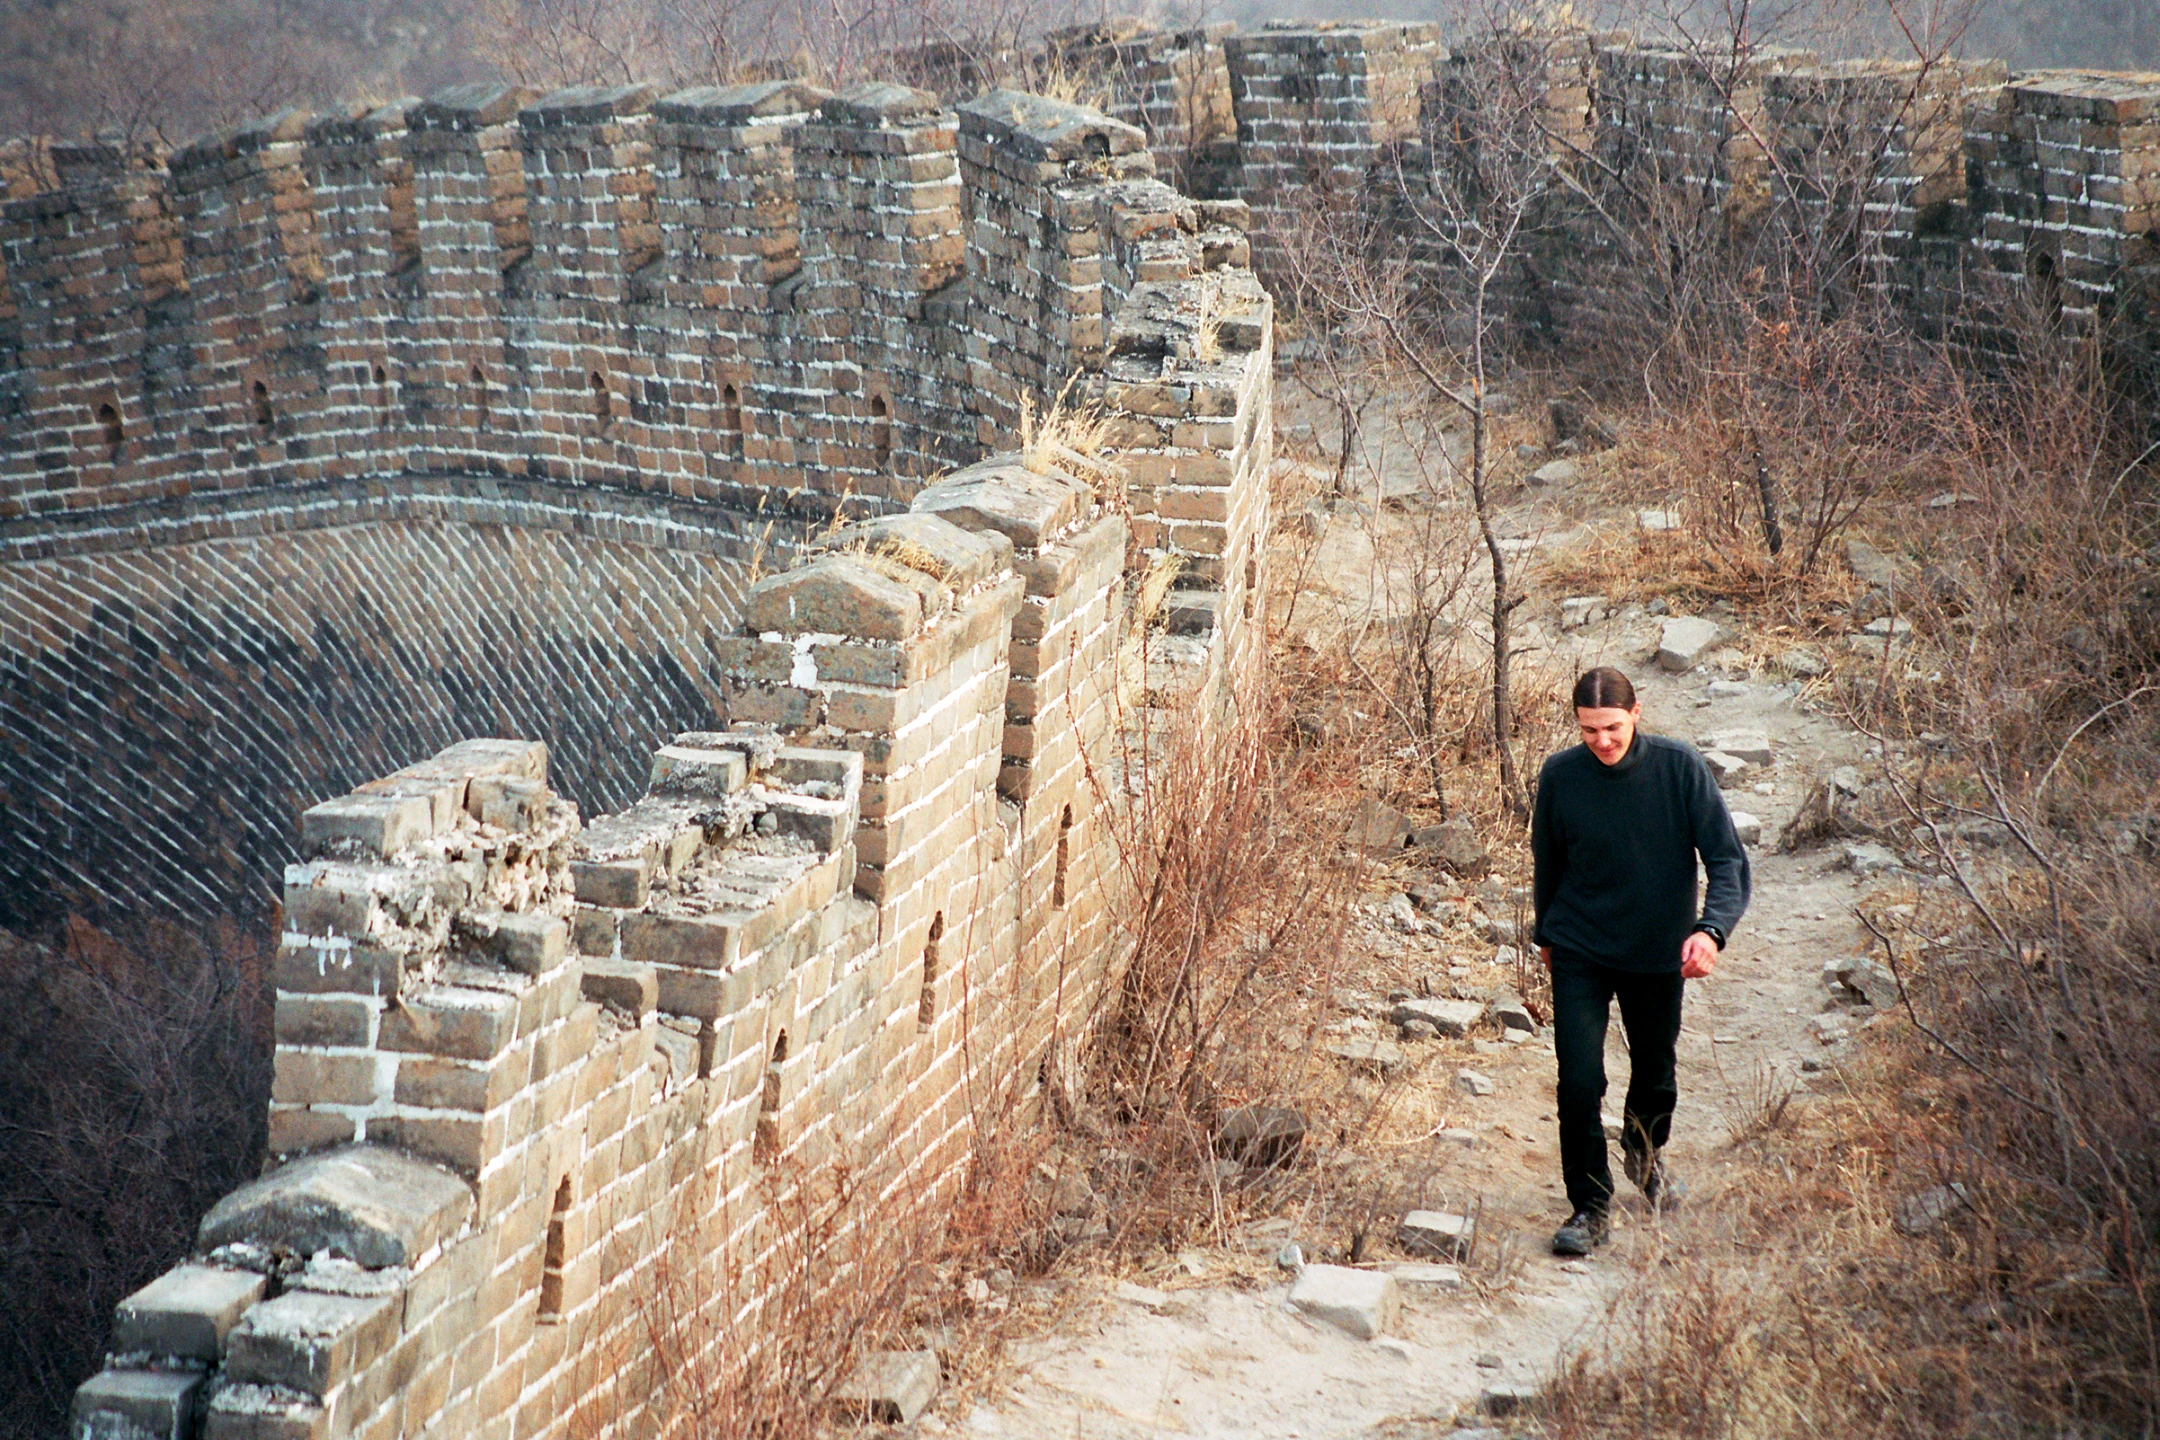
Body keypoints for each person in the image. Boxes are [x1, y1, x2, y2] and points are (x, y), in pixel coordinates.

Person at [1530, 666, 1750, 1256]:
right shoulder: (1561, 775)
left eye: (1612, 727)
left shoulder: (1680, 769)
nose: (1602, 741)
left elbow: (1727, 861)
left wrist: (1711, 931)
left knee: (1655, 1074)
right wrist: (1546, 935)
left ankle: (1643, 1153)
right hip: (1580, 945)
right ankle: (1590, 1206)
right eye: (1588, 730)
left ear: (1636, 713)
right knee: (1579, 1080)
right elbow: (1548, 860)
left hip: (1657, 951)